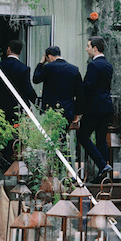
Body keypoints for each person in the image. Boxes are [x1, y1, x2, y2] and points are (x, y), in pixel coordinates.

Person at [75, 36, 114, 184]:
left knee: (83, 136)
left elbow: (89, 86)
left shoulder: (93, 65)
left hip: (94, 107)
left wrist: (79, 94)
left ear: (95, 48)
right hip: (106, 106)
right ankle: (104, 175)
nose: (86, 49)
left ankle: (103, 165)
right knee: (101, 139)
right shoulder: (108, 65)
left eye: (88, 46)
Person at [0, 39, 37, 125]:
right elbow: (27, 88)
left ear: (8, 49)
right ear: (20, 52)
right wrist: (36, 102)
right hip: (15, 106)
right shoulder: (24, 69)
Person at [33, 45, 82, 124]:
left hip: (50, 110)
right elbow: (79, 92)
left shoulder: (48, 68)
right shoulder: (74, 69)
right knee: (63, 135)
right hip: (68, 109)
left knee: (50, 135)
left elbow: (36, 79)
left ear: (49, 56)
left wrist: (41, 63)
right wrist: (77, 112)